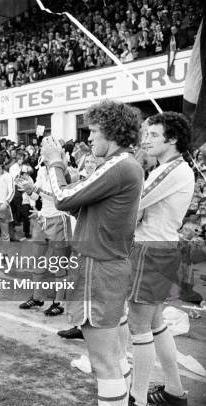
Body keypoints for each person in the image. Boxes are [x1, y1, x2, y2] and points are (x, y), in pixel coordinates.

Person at [38, 100, 143, 406]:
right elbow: (80, 197)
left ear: (111, 131)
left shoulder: (119, 164)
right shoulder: (125, 164)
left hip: (97, 267)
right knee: (115, 356)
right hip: (108, 265)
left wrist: (54, 161)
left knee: (103, 362)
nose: (89, 138)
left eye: (94, 131)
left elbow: (63, 198)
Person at [127, 113, 193, 406]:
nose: (146, 140)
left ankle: (137, 399)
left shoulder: (172, 169)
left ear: (173, 139)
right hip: (160, 247)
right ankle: (175, 392)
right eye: (146, 134)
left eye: (154, 134)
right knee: (155, 322)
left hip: (150, 249)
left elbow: (133, 205)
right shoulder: (167, 168)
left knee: (138, 326)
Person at [17, 161, 73, 316]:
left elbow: (58, 197)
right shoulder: (41, 170)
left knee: (59, 264)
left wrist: (34, 188)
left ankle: (59, 302)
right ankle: (37, 297)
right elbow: (37, 196)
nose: (43, 152)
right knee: (38, 261)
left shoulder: (63, 170)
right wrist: (28, 190)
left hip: (59, 218)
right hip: (43, 217)